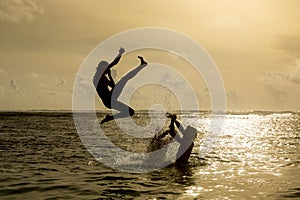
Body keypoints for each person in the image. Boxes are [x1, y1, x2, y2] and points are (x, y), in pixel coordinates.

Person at [93, 47, 147, 124]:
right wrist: (120, 53)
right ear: (99, 68)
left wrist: (110, 77)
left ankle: (110, 118)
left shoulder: (104, 78)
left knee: (131, 112)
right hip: (109, 100)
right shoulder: (97, 76)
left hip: (111, 100)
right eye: (104, 67)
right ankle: (142, 65)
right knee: (125, 78)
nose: (107, 68)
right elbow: (114, 63)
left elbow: (113, 87)